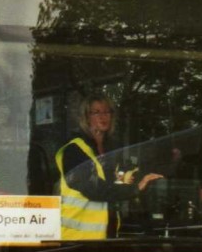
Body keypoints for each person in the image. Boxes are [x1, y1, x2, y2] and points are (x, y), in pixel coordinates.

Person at [55, 94, 162, 239]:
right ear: (86, 118)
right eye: (96, 112)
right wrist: (136, 188)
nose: (103, 116)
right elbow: (95, 189)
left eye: (107, 112)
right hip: (75, 242)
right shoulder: (74, 150)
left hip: (106, 237)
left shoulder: (111, 150)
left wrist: (138, 179)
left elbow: (120, 183)